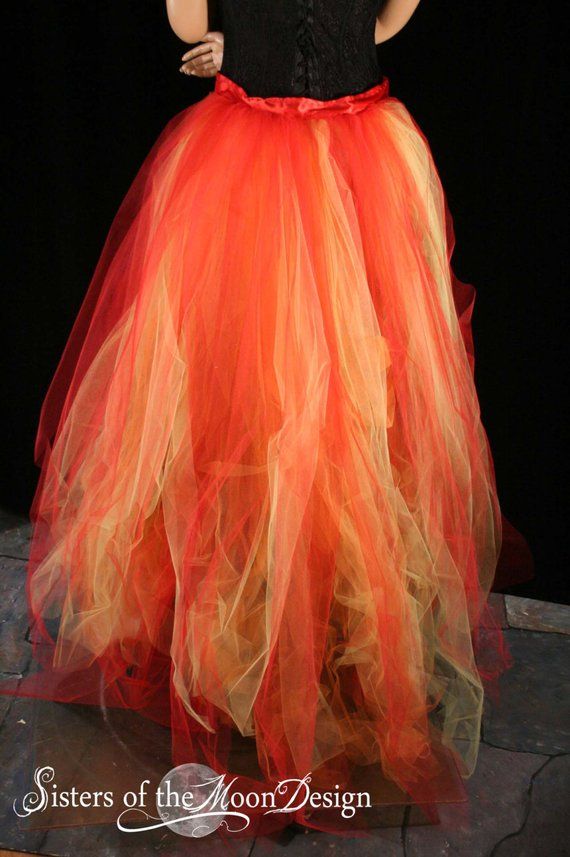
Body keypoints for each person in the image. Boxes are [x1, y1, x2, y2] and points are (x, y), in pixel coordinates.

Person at [10, 0, 521, 836]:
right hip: (294, 159)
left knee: (335, 416)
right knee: (260, 410)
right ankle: (264, 646)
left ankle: (316, 643)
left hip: (318, 163)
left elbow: (207, 23)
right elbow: (374, 20)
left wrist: (255, 41)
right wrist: (267, 43)